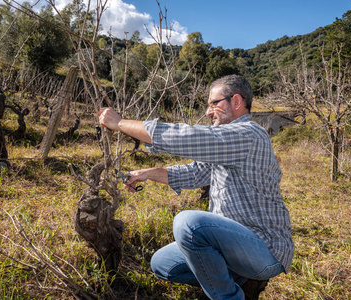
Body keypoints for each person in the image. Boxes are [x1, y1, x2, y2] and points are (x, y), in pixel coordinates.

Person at [98, 74, 294, 300]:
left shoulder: (249, 134)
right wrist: (148, 173)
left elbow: (185, 137)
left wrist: (120, 123)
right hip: (232, 244)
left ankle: (230, 297)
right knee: (163, 264)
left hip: (263, 249)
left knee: (189, 223)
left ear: (237, 102)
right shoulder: (229, 145)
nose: (209, 112)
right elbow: (195, 173)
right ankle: (241, 280)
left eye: (214, 103)